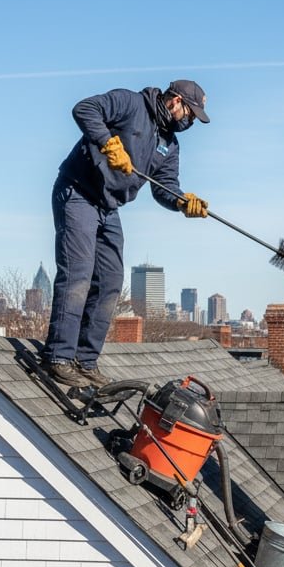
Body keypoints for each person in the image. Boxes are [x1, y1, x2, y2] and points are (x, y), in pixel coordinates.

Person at [42, 80, 209, 386]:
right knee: (78, 274)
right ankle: (59, 357)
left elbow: (165, 187)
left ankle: (85, 361)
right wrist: (107, 141)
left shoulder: (169, 144)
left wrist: (183, 202)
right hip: (78, 192)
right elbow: (84, 108)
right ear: (174, 101)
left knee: (110, 280)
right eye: (189, 113)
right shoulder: (130, 103)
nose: (189, 121)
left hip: (109, 206)